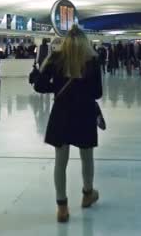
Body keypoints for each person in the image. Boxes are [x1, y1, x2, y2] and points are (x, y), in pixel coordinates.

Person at [33, 25, 102, 223]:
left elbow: (40, 86)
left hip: (61, 113)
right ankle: (88, 193)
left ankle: (62, 207)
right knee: (86, 156)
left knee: (60, 161)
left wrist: (51, 76)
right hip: (85, 113)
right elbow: (97, 93)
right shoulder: (92, 60)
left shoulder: (56, 59)